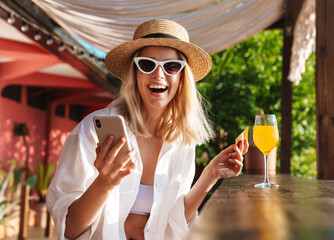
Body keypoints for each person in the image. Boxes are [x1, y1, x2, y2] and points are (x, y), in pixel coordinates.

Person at [46, 19, 248, 240]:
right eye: (147, 64)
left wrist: (211, 174)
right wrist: (104, 184)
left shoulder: (182, 141)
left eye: (171, 66)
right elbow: (70, 228)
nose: (158, 74)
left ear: (181, 78)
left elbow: (175, 220)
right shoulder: (91, 131)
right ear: (135, 73)